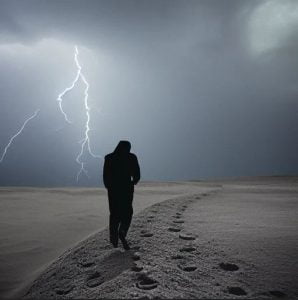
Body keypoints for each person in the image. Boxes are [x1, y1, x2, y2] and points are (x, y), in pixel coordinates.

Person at [103, 140, 140, 250]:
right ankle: (122, 231)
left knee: (114, 213)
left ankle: (114, 238)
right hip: (126, 188)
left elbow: (106, 175)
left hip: (113, 190)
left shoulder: (109, 157)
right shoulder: (131, 157)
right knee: (127, 211)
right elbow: (136, 173)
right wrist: (134, 181)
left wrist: (109, 186)